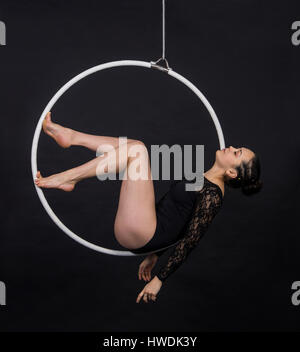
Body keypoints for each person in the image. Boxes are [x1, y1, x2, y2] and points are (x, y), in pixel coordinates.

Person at [35, 112, 263, 303]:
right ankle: (71, 136)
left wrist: (159, 279)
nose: (231, 147)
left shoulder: (213, 194)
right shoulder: (205, 180)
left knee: (138, 152)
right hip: (146, 231)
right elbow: (179, 221)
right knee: (136, 148)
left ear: (232, 173)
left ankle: (69, 178)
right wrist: (154, 254)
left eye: (237, 153)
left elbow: (191, 239)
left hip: (143, 231)